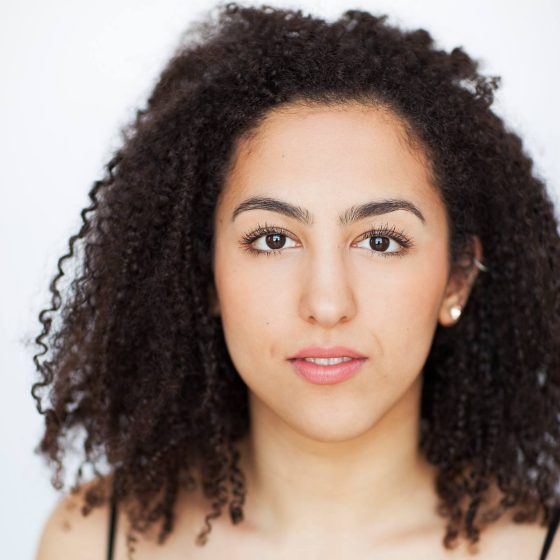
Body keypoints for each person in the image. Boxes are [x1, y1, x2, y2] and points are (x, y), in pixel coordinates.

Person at [33, 2, 560, 558]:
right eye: (272, 239)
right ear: (208, 274)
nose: (327, 304)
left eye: (381, 242)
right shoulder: (94, 542)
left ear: (457, 279)